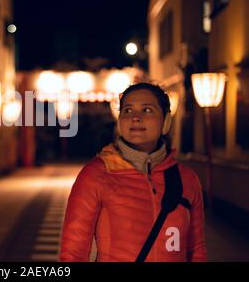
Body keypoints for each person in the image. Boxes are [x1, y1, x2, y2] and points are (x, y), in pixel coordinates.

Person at [60, 83, 207, 262]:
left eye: (147, 110)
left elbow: (196, 248)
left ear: (166, 121)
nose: (135, 117)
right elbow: (73, 251)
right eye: (128, 111)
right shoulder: (96, 175)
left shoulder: (187, 179)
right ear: (120, 120)